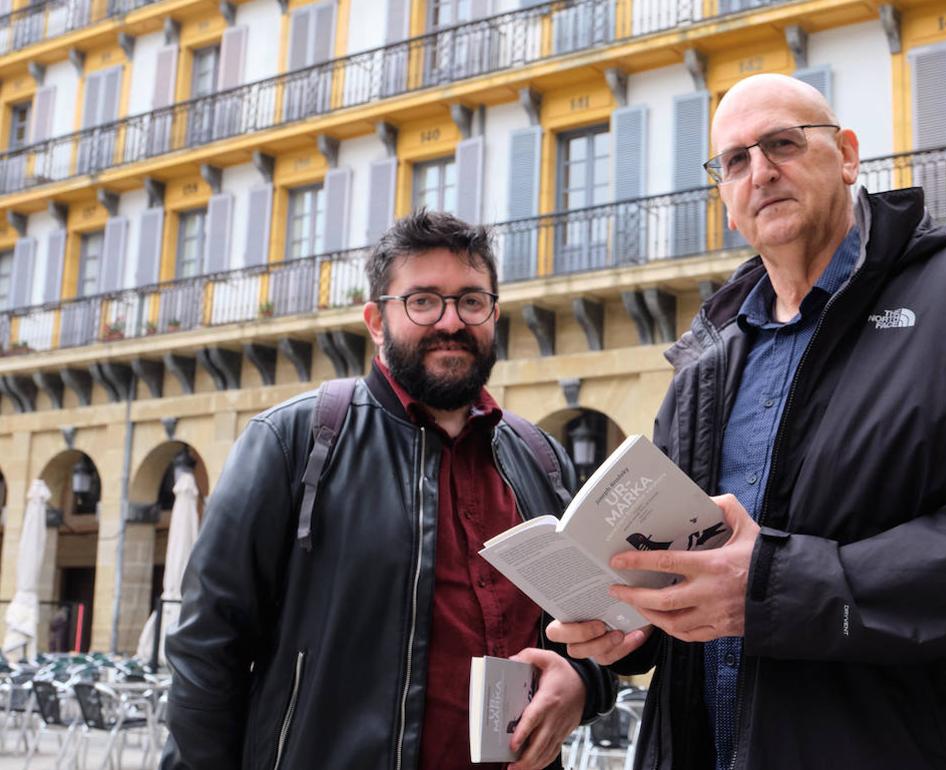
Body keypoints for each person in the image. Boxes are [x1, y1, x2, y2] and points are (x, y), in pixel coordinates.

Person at [549, 73, 946, 769]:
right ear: (726, 203)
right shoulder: (706, 360)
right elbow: (699, 578)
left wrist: (779, 588)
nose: (760, 171)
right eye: (735, 161)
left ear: (846, 156)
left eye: (783, 144)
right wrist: (632, 630)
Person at [163, 210, 616, 769]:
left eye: (472, 301)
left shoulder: (540, 458)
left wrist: (583, 682)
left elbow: (597, 630)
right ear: (377, 321)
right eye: (423, 301)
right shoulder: (292, 442)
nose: (451, 321)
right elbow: (206, 650)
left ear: (494, 314)